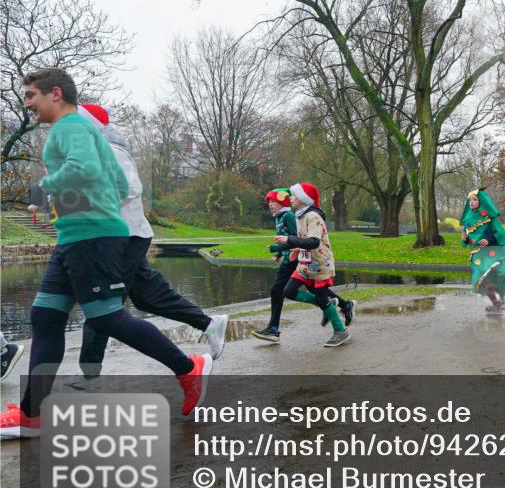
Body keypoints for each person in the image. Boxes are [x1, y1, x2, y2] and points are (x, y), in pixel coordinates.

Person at [1, 68, 210, 439]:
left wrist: (44, 189)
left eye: (31, 95)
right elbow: (116, 182)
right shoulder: (89, 131)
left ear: (55, 93)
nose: (27, 103)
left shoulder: (68, 127)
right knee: (45, 316)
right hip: (78, 235)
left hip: (91, 238)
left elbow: (82, 169)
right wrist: (80, 205)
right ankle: (32, 415)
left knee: (106, 316)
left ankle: (188, 368)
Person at [74, 104, 228, 383]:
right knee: (147, 296)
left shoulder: (110, 150)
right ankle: (207, 323)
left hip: (122, 238)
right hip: (125, 237)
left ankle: (88, 379)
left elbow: (129, 188)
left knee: (102, 308)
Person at [273, 183, 354, 347]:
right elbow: (305, 240)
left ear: (303, 199)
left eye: (294, 195)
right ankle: (328, 304)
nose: (290, 198)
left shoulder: (313, 216)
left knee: (321, 296)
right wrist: (296, 249)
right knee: (289, 291)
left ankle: (340, 330)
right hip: (305, 263)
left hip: (320, 263)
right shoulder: (300, 215)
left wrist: (288, 239)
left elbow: (314, 241)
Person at [252, 188, 304, 342]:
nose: (270, 204)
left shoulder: (288, 216)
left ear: (282, 201)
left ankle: (273, 329)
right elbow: (285, 239)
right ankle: (273, 329)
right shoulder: (278, 217)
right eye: (269, 202)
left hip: (295, 259)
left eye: (273, 201)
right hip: (288, 259)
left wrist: (276, 248)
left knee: (277, 290)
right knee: (277, 290)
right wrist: (280, 253)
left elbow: (295, 239)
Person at [461, 188, 505, 313]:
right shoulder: (468, 219)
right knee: (481, 280)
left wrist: (488, 240)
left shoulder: (489, 217)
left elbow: (499, 233)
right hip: (476, 255)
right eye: (470, 200)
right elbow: (469, 239)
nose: (471, 202)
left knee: (495, 276)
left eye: (474, 200)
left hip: (490, 253)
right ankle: (496, 303)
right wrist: (465, 239)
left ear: (481, 201)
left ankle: (501, 299)